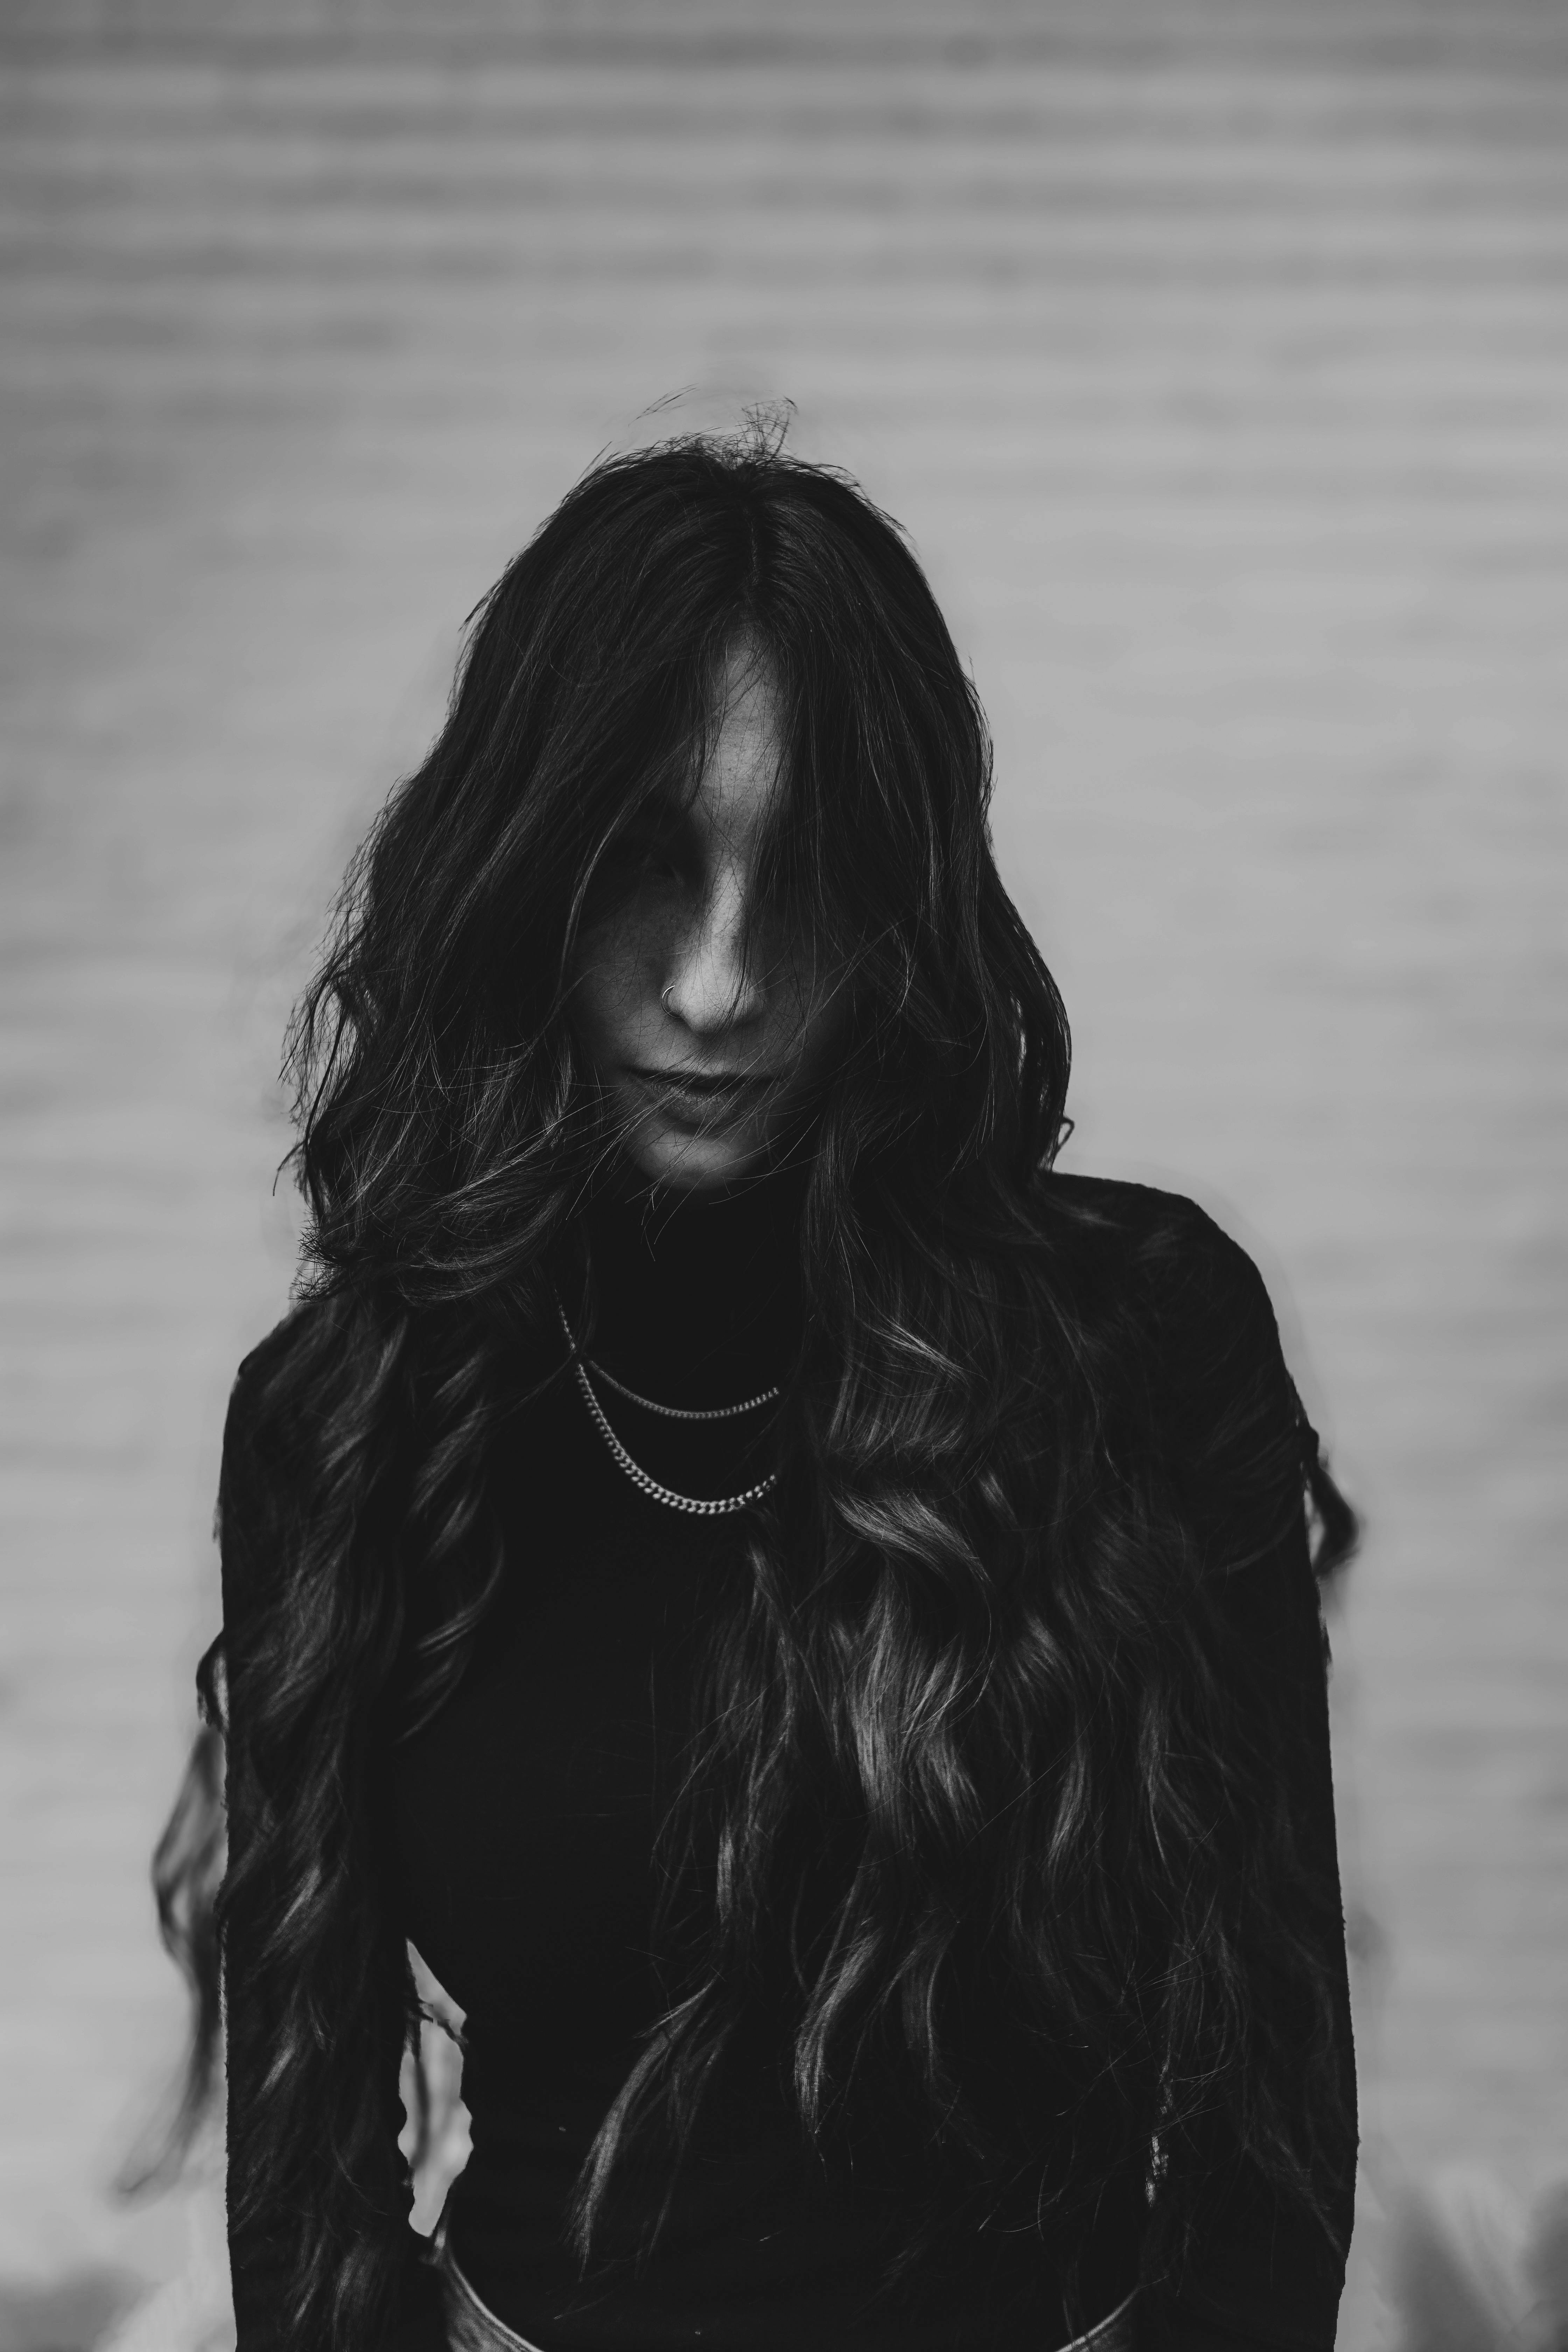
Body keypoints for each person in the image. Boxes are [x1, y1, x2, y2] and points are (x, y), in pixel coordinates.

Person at [153, 426, 1359, 2352]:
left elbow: (1264, 2135)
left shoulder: (1144, 1340)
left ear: (896, 909)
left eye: (795, 878)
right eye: (645, 862)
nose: (717, 986)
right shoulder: (347, 1416)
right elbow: (308, 2183)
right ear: (526, 874)